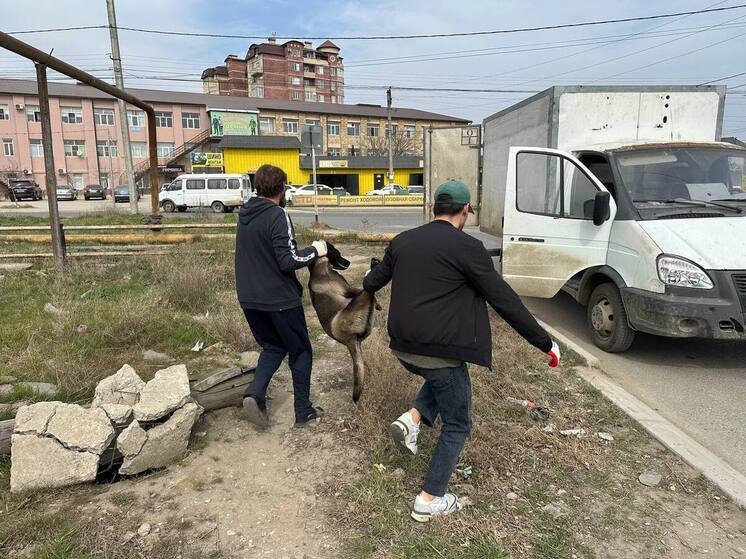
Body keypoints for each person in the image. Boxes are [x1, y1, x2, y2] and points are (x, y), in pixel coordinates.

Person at [363, 179, 560, 522]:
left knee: (446, 380)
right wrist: (544, 342)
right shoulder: (468, 247)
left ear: (434, 208)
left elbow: (370, 282)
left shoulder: (403, 241)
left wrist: (374, 270)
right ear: (466, 210)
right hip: (438, 349)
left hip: (403, 347)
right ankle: (429, 499)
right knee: (458, 423)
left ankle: (411, 420)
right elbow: (504, 299)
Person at [235, 164, 328, 428]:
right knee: (301, 352)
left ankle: (254, 394)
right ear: (281, 188)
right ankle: (303, 411)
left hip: (249, 299)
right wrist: (316, 250)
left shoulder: (245, 215)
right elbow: (289, 260)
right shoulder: (277, 214)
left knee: (274, 346)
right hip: (279, 300)